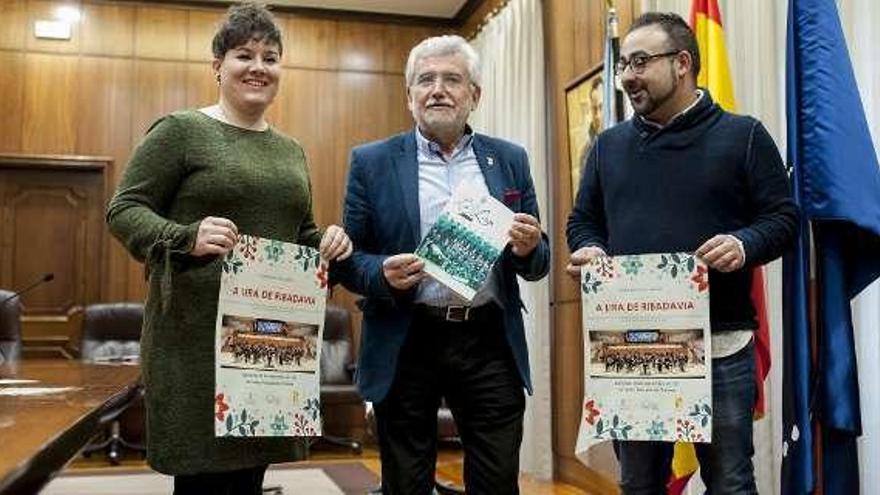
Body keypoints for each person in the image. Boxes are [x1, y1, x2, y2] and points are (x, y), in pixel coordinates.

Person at [106, 3, 351, 494]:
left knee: (248, 478)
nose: (259, 67)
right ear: (217, 65)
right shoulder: (179, 131)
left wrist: (326, 243)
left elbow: (297, 234)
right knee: (204, 481)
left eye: (271, 57)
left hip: (272, 339)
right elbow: (124, 209)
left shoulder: (290, 150)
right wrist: (185, 236)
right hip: (194, 344)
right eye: (244, 54)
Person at [566, 12, 798, 495]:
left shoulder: (745, 135)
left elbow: (784, 220)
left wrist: (743, 243)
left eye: (641, 61)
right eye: (624, 63)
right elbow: (582, 221)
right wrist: (588, 248)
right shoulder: (608, 147)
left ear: (683, 64)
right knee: (639, 483)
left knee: (730, 482)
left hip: (720, 346)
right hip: (630, 344)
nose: (627, 74)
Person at [336, 35, 550, 494]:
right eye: (425, 80)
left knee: (496, 480)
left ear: (475, 95)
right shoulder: (371, 162)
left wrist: (530, 246)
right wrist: (381, 275)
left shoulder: (509, 159)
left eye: (452, 79)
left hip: (488, 338)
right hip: (406, 334)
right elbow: (348, 261)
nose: (437, 89)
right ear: (409, 95)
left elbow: (538, 263)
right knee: (407, 482)